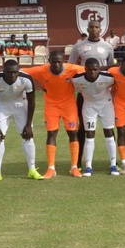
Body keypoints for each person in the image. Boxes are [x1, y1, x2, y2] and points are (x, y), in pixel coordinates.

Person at [22, 50, 85, 178]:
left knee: (72, 132)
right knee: (51, 133)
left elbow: (90, 69)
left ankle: (74, 167)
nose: (56, 64)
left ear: (63, 61)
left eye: (59, 62)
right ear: (49, 61)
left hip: (69, 105)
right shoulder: (42, 70)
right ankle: (51, 168)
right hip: (51, 105)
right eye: (54, 62)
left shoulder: (72, 69)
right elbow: (23, 71)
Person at [0, 60, 44, 183]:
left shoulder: (26, 79)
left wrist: (29, 124)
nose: (12, 75)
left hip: (20, 105)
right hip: (1, 106)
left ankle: (32, 170)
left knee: (28, 136)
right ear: (3, 71)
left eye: (15, 72)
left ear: (19, 71)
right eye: (9, 72)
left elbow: (32, 101)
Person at [68, 20, 115, 169]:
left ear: (101, 29)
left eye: (96, 27)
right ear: (87, 29)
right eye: (91, 27)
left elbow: (110, 69)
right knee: (83, 128)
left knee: (109, 127)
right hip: (85, 93)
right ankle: (80, 161)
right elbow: (70, 67)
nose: (94, 29)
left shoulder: (108, 47)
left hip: (103, 92)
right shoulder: (78, 46)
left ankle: (114, 162)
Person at [72, 59, 120, 176]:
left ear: (99, 69)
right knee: (89, 135)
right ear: (85, 69)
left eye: (95, 69)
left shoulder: (108, 78)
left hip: (106, 106)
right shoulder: (77, 79)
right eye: (90, 69)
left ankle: (113, 165)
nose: (92, 72)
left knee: (109, 133)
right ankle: (88, 167)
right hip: (89, 107)